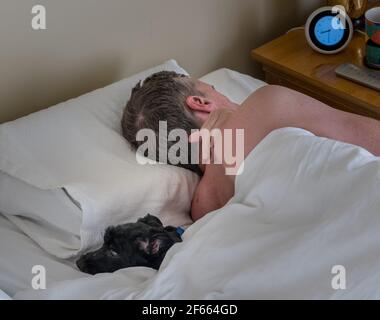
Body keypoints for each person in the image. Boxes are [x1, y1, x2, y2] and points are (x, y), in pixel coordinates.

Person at [122, 71, 380, 222]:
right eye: (214, 89)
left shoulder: (202, 208)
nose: (229, 96)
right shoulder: (266, 105)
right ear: (200, 102)